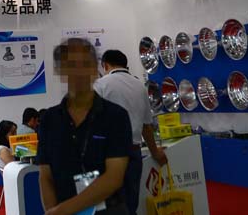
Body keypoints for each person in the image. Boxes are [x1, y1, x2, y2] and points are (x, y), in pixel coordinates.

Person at [38, 38, 132, 215]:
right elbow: (45, 176)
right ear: (60, 70)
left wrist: (62, 211)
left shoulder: (116, 116)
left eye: (85, 64)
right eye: (71, 65)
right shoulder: (49, 120)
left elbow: (114, 178)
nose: (79, 71)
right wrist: (52, 211)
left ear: (95, 68)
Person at [94, 49, 168, 215]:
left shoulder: (101, 85)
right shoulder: (140, 86)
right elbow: (146, 127)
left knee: (108, 205)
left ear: (105, 65)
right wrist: (155, 152)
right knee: (130, 203)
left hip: (108, 154)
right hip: (133, 153)